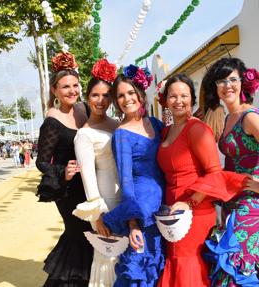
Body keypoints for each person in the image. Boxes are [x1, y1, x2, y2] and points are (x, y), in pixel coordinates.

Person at [156, 74, 253, 287]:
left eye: (184, 95)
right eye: (173, 96)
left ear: (192, 99)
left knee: (188, 267)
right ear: (165, 100)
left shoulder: (197, 129)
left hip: (195, 212)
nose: (178, 101)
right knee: (175, 263)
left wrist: (189, 202)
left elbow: (214, 173)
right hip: (171, 213)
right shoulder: (166, 131)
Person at [203, 58, 259, 286]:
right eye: (221, 80)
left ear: (242, 83)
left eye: (232, 79)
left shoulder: (249, 116)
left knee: (237, 263)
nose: (227, 85)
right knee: (237, 261)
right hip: (232, 200)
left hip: (251, 204)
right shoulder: (229, 116)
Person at [101, 65, 165, 286]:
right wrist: (132, 223)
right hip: (141, 210)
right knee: (139, 270)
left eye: (130, 92)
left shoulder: (156, 124)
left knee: (157, 268)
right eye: (120, 95)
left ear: (140, 93)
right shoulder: (121, 134)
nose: (126, 99)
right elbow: (125, 180)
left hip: (161, 207)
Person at [35, 51, 93, 287]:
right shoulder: (52, 121)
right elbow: (41, 161)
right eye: (65, 87)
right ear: (55, 91)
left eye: (75, 85)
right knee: (77, 236)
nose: (72, 91)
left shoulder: (84, 110)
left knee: (91, 237)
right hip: (69, 191)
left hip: (90, 185)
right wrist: (62, 172)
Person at [72, 58, 120, 287]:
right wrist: (97, 214)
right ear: (87, 97)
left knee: (126, 259)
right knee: (108, 260)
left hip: (125, 199)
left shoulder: (118, 124)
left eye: (106, 95)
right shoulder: (84, 135)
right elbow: (88, 178)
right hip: (105, 203)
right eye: (95, 95)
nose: (101, 101)